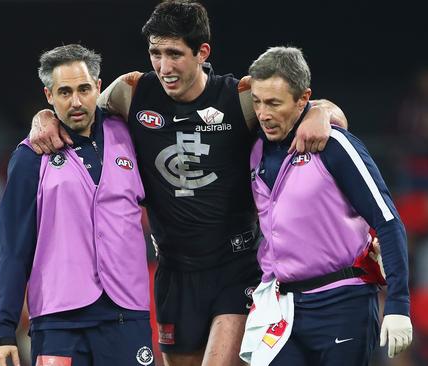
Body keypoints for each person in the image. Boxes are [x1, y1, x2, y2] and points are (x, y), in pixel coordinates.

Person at [29, 2, 347, 365]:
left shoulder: (239, 97)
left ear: (202, 52)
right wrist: (44, 117)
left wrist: (322, 113)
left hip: (235, 267)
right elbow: (79, 116)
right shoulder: (130, 92)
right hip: (174, 273)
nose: (164, 67)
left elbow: (314, 108)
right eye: (155, 53)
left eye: (175, 54)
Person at [240, 46, 412, 365]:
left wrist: (399, 304)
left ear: (303, 99)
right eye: (258, 102)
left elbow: (388, 221)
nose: (263, 113)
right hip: (280, 307)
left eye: (274, 103)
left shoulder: (335, 146)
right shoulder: (253, 149)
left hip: (343, 301)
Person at [0, 44, 154, 366]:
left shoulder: (132, 136)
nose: (76, 102)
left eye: (83, 89)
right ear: (48, 95)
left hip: (126, 315)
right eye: (64, 92)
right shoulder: (30, 157)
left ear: (99, 88)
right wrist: (2, 331)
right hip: (58, 322)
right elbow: (11, 247)